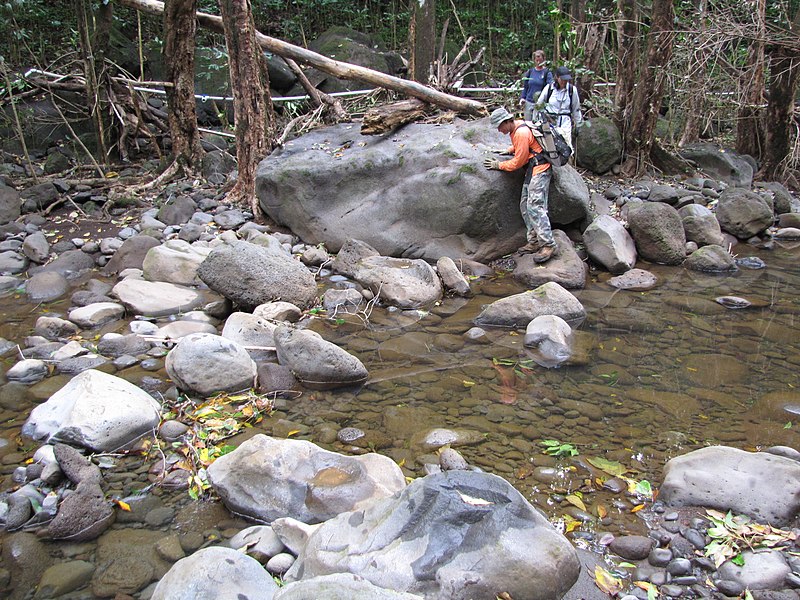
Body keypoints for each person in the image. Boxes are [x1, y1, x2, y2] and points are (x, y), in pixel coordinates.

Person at [483, 107, 557, 263]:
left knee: (535, 206)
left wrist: (499, 165)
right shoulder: (518, 127)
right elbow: (524, 147)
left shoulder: (520, 132)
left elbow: (518, 162)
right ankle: (534, 240)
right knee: (525, 205)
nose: (499, 130)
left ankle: (548, 244)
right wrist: (509, 150)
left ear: (507, 122)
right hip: (532, 170)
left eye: (499, 126)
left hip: (540, 170)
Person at [536, 65, 583, 150]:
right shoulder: (549, 88)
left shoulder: (572, 90)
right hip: (549, 121)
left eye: (566, 80)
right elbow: (539, 104)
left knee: (566, 146)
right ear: (557, 77)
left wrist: (578, 124)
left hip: (565, 122)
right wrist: (536, 119)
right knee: (548, 146)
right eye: (562, 79)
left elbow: (576, 108)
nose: (564, 82)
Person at [519, 50, 553, 122]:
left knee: (538, 125)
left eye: (539, 57)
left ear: (543, 59)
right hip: (528, 102)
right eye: (536, 58)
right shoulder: (530, 72)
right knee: (527, 124)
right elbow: (526, 87)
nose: (538, 60)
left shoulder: (547, 72)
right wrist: (522, 98)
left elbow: (550, 87)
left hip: (540, 104)